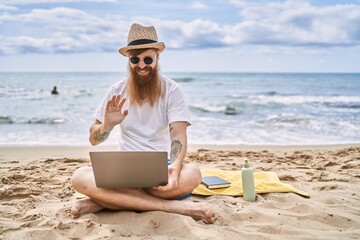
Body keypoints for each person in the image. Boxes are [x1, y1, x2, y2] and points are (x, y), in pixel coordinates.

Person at [70, 23, 215, 224]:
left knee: (193, 174)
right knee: (78, 177)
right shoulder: (116, 91)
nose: (141, 65)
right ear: (129, 60)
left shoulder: (172, 90)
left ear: (157, 56)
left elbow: (178, 136)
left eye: (148, 59)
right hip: (124, 169)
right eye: (135, 59)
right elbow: (94, 139)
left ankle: (103, 202)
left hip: (162, 168)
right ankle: (172, 206)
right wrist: (108, 125)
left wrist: (175, 167)